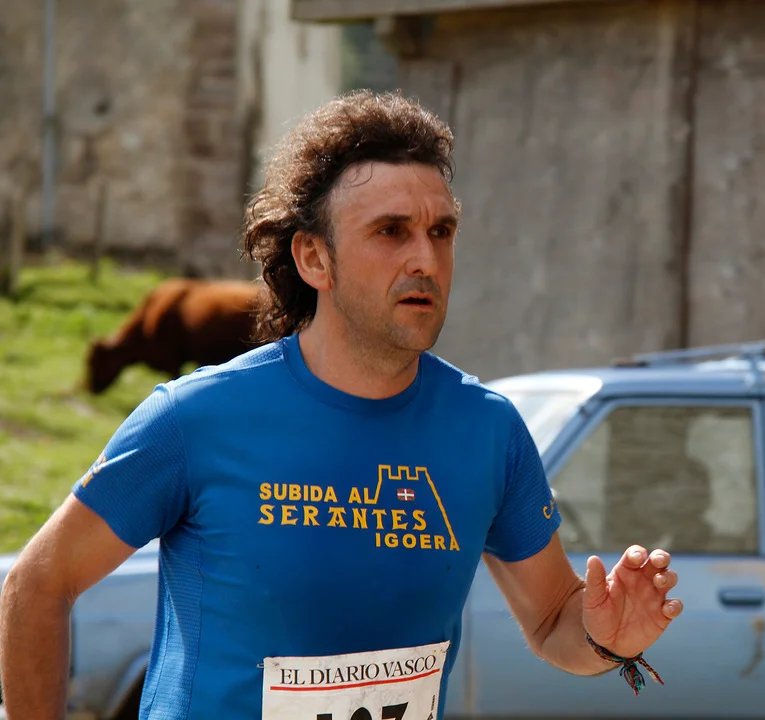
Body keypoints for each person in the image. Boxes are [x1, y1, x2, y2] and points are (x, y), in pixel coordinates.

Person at [0, 90, 682, 720]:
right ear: (314, 259)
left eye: (441, 232)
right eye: (391, 231)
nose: (425, 259)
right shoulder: (195, 419)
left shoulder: (488, 430)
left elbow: (553, 620)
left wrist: (605, 638)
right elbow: (36, 584)